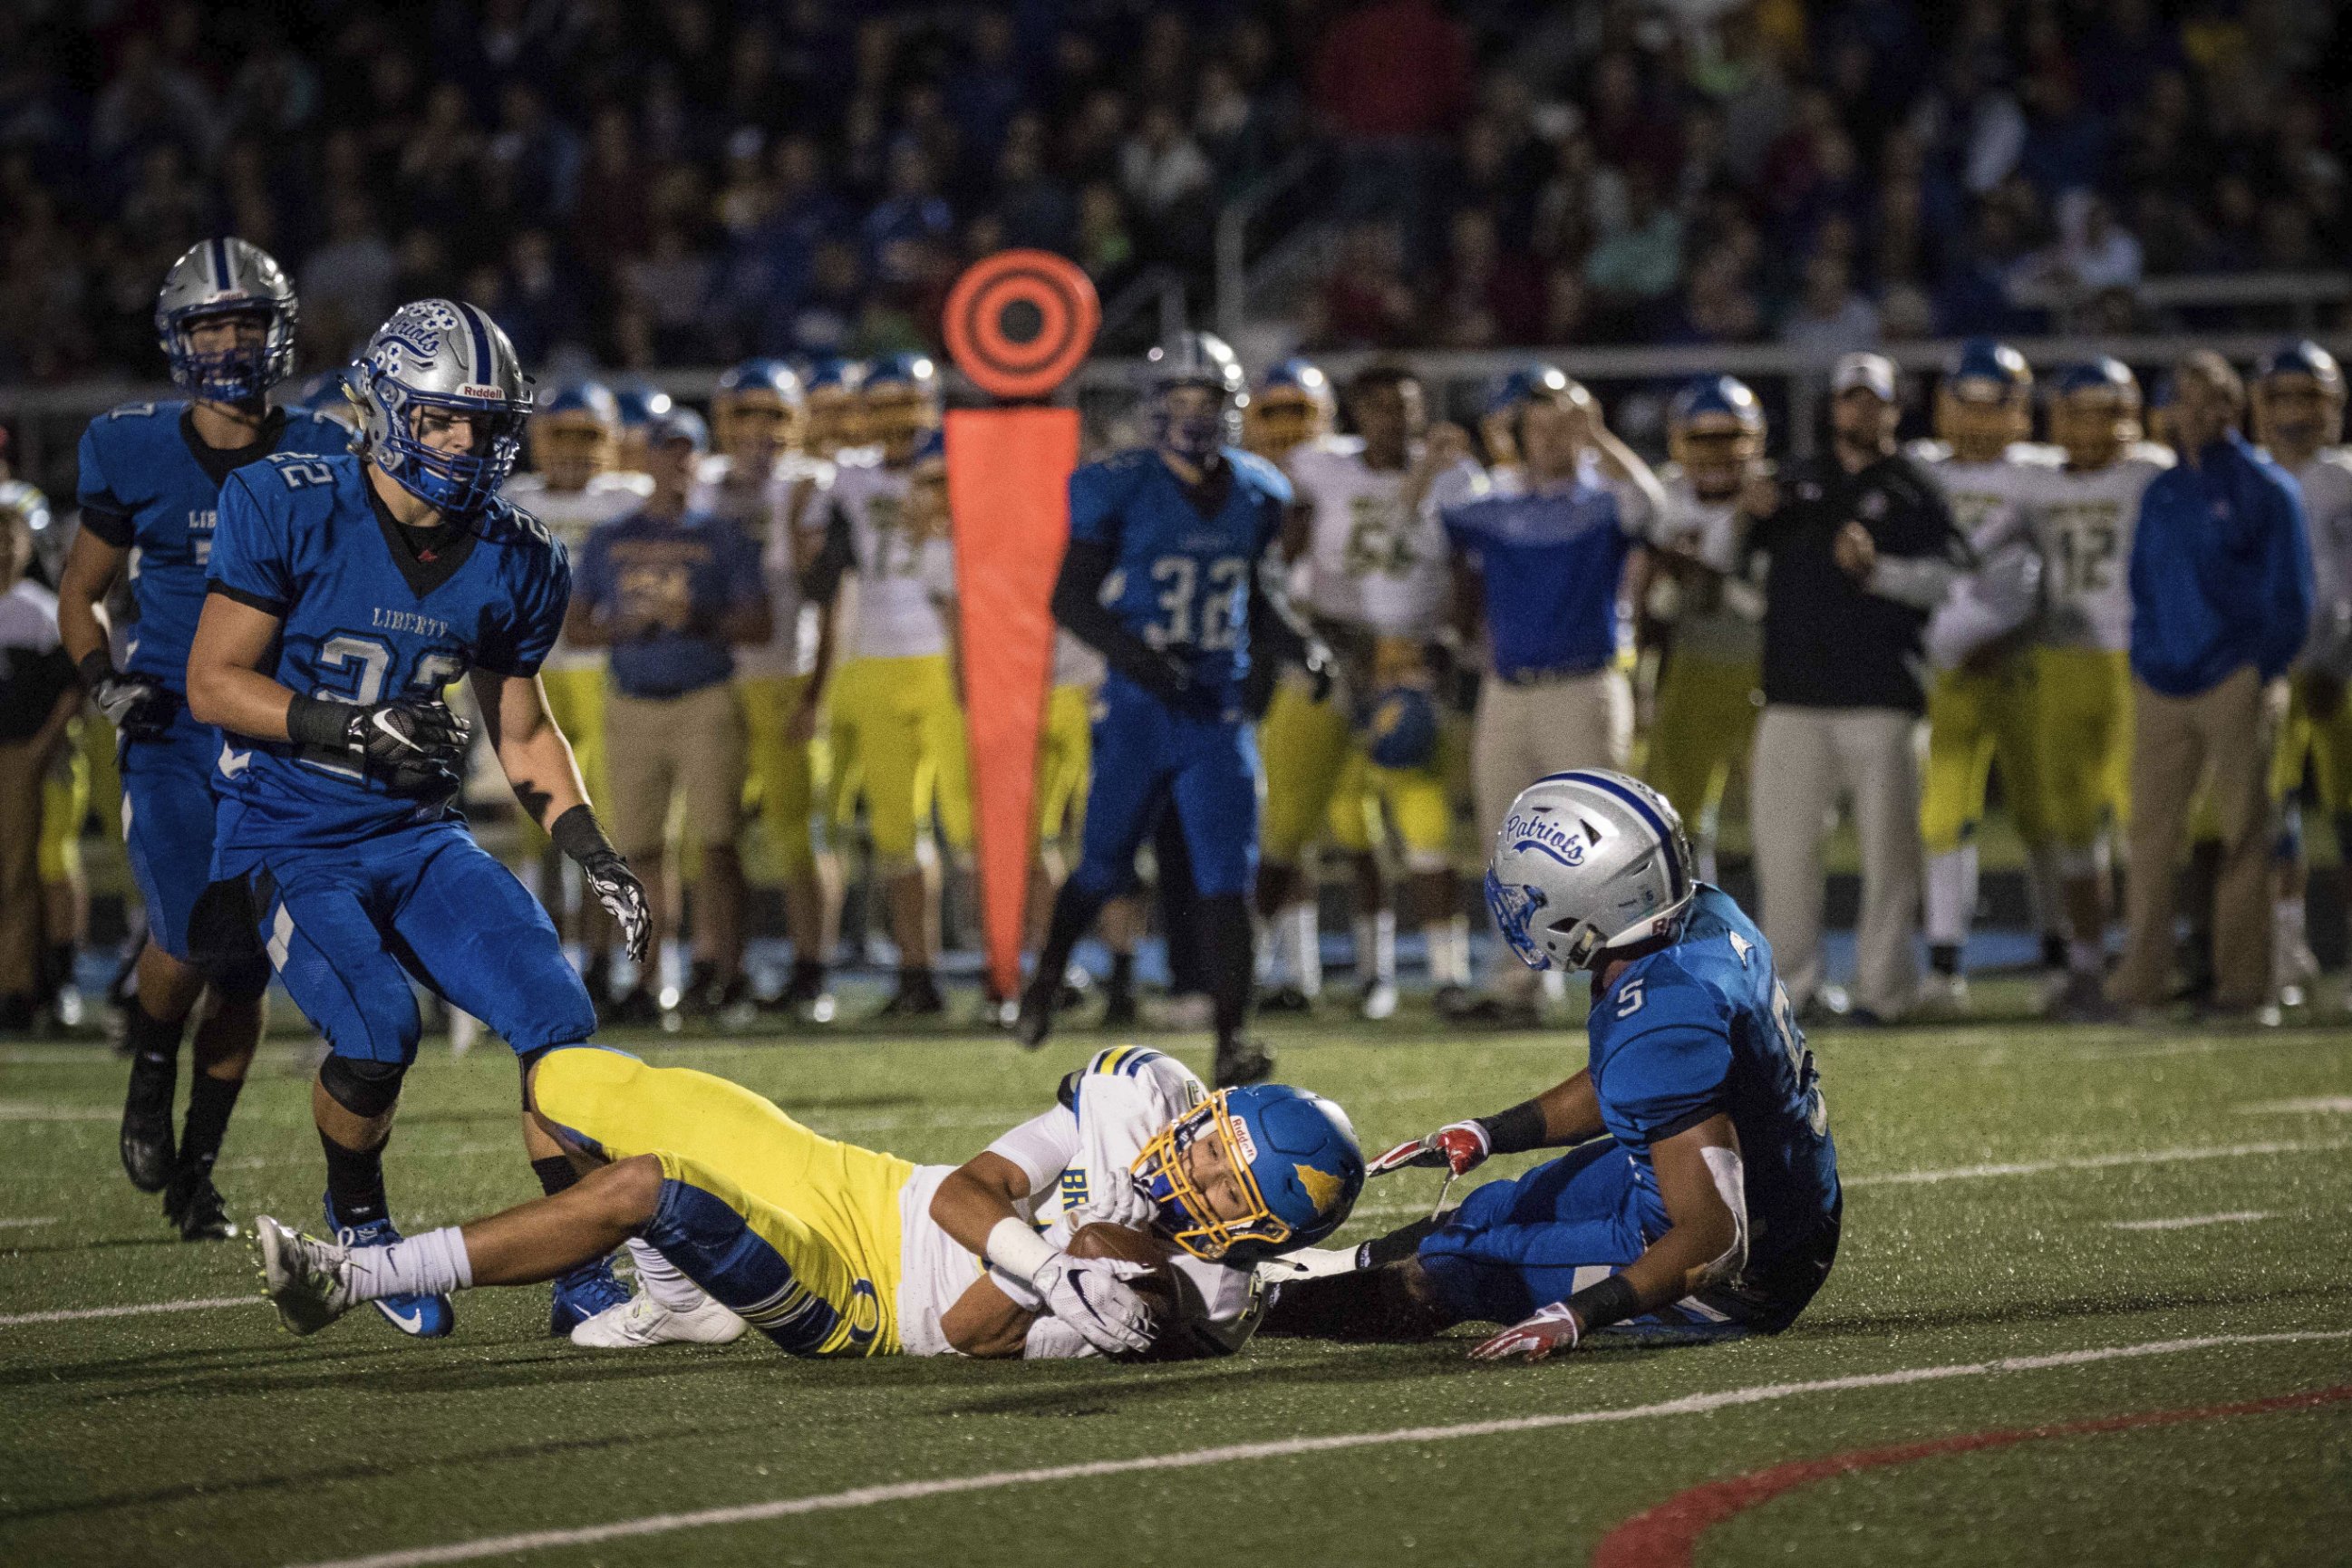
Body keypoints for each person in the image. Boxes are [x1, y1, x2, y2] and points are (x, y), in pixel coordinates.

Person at [185, 297, 653, 1339]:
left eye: (484, 423)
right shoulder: (288, 499)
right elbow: (213, 682)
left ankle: (575, 1259)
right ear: (388, 408)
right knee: (378, 1029)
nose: (464, 442)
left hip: (416, 833)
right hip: (287, 831)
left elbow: (522, 731)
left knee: (557, 1017)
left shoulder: (519, 553)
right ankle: (360, 1229)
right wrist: (349, 728)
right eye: (443, 419)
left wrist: (587, 843)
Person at [257, 1041, 1364, 1360]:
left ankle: (355, 1277)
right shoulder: (1138, 1110)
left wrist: (1080, 1259)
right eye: (1214, 1145)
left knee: (650, 1184)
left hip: (868, 1299)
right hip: (866, 1184)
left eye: (1225, 1185)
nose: (1198, 1171)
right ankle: (676, 1299)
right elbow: (969, 1189)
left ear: (1253, 1228)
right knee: (566, 1084)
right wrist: (1052, 1257)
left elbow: (973, 1333)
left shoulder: (1185, 1292)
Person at [1260, 770, 1838, 1356]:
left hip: (1744, 1269)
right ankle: (1328, 1267)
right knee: (1496, 1210)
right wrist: (1491, 1133)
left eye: (1528, 892)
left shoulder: (1664, 1014)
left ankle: (1246, 1311)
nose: (1512, 902)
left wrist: (1579, 1313)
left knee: (1452, 1269)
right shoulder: (1702, 918)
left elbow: (1714, 1241)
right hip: (1773, 1185)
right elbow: (1634, 1076)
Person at [55, 238, 350, 1239]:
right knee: (189, 924)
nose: (230, 342)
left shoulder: (326, 446)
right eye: (210, 324)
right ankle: (149, 1065)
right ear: (178, 339)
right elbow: (80, 595)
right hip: (175, 723)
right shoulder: (132, 446)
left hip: (275, 730)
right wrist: (103, 683)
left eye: (246, 322)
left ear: (280, 329)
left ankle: (200, 1169)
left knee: (244, 966)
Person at [1015, 333, 1321, 1088]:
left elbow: (1261, 598)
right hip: (1139, 709)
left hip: (1216, 710)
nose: (1192, 414)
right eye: (1178, 399)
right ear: (1154, 409)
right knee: (1101, 863)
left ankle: (1231, 1039)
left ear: (1229, 406)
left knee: (1228, 875)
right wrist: (1146, 661)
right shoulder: (1115, 485)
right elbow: (1069, 599)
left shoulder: (1259, 490)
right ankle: (1047, 975)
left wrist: (1301, 647)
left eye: (1205, 399)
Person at [1744, 353, 1966, 1023]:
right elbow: (1741, 574)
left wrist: (1878, 573)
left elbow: (1947, 582)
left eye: (1873, 400)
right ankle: (1793, 991)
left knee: (1889, 860)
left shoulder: (1914, 487)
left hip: (1882, 696)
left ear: (1894, 407)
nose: (1860, 411)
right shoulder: (1792, 481)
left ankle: (1884, 992)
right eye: (1849, 399)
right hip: (1791, 695)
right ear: (1831, 406)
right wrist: (1743, 516)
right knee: (1783, 856)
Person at [1440, 367, 1663, 1025]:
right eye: (1536, 425)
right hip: (1506, 689)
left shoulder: (1600, 499)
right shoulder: (1500, 503)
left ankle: (1628, 983)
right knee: (1505, 842)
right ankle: (1520, 983)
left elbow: (1654, 509)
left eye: (1560, 423)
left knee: (1602, 845)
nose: (1549, 438)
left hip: (1581, 685)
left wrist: (1601, 439)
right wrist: (1454, 462)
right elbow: (1419, 534)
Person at [1261, 364, 1480, 1021]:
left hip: (1409, 665)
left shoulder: (1454, 477)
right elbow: (1281, 561)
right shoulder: (1319, 467)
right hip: (1328, 659)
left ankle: (1447, 976)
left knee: (1421, 819)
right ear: (1356, 412)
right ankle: (1253, 967)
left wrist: (1445, 646)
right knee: (1291, 816)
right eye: (1380, 407)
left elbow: (1469, 571)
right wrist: (1319, 633)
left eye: (1404, 406)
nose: (1393, 419)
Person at [2111, 352, 2311, 1018]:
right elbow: (2140, 584)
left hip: (2234, 678)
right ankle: (2140, 982)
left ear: (2234, 409)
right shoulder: (2163, 489)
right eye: (2185, 400)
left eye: (2211, 402)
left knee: (2244, 833)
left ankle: (2241, 986)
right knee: (2148, 837)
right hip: (2163, 681)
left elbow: (2292, 595)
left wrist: (2260, 668)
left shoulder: (2264, 486)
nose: (2196, 415)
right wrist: (2146, 656)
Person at [568, 409, 770, 1022]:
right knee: (637, 850)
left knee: (716, 845)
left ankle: (723, 971)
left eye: (687, 452)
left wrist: (697, 620)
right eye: (666, 451)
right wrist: (620, 627)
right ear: (647, 458)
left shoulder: (721, 535)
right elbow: (576, 626)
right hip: (632, 699)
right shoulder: (610, 537)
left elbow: (760, 622)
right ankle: (649, 978)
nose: (676, 463)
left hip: (702, 695)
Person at [804, 359, 965, 1019]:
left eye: (908, 403)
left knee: (972, 822)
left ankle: (1012, 970)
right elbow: (820, 572)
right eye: (884, 404)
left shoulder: (963, 459)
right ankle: (918, 972)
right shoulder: (845, 476)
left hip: (946, 656)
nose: (897, 419)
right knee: (898, 831)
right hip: (870, 658)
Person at [1910, 340, 2066, 1011]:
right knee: (1944, 814)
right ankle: (1945, 966)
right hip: (1941, 671)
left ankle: (2062, 955)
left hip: (2024, 665)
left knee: (2044, 813)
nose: (1975, 423)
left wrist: (2017, 637)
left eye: (1990, 408)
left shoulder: (2042, 474)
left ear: (2019, 411)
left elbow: (2065, 579)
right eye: (1963, 408)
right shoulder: (1917, 467)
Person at [2016, 360, 2172, 1018]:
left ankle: (2147, 960)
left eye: (2104, 410)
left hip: (2133, 659)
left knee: (2146, 822)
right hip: (2058, 659)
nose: (2091, 426)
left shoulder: (2152, 472)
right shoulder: (2032, 482)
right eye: (2077, 411)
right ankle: (2084, 964)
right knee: (2073, 828)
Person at [501, 380, 651, 1012]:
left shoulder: (628, 498)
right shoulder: (513, 497)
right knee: (538, 836)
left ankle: (600, 963)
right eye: (561, 434)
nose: (572, 449)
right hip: (532, 673)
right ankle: (548, 965)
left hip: (604, 673)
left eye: (588, 435)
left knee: (602, 830)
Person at [698, 359, 839, 1021]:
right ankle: (719, 966)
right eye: (746, 414)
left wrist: (816, 692)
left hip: (784, 673)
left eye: (774, 416)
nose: (759, 430)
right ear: (723, 423)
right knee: (709, 834)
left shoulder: (810, 485)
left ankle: (813, 970)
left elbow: (828, 594)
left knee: (796, 834)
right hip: (711, 677)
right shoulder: (701, 484)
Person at [2247, 342, 2352, 1012]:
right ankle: (2286, 950)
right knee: (2274, 819)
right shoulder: (2247, 477)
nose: (2294, 413)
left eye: (2308, 397)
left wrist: (2336, 659)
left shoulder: (2346, 477)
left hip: (2344, 672)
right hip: (2270, 670)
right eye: (2281, 397)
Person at [1642, 376, 1770, 885]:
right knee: (1679, 821)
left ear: (1755, 440)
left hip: (1770, 671)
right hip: (1689, 667)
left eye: (1729, 438)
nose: (1716, 453)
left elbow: (1776, 607)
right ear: (1678, 442)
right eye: (1702, 439)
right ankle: (1702, 932)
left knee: (1782, 816)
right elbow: (1654, 605)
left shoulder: (1776, 499)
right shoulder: (1661, 498)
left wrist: (1710, 577)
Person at [0, 493, 82, 1031]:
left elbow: (72, 688)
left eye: (9, 539)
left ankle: (19, 989)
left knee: (21, 876)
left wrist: (39, 749)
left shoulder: (40, 610)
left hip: (20, 755)